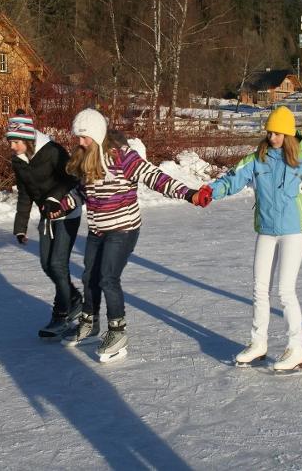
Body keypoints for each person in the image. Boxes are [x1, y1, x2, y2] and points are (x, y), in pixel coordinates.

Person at [200, 106, 302, 372]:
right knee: (259, 288)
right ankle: (258, 343)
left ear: (288, 134)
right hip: (266, 230)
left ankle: (296, 348)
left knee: (285, 291)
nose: (272, 137)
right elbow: (233, 179)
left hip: (293, 232)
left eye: (278, 133)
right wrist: (211, 192)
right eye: (270, 131)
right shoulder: (256, 159)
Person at [54, 108, 205, 362]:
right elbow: (82, 192)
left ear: (96, 134)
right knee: (90, 275)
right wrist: (60, 206)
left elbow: (154, 177)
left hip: (123, 229)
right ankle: (90, 323)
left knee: (107, 278)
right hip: (97, 229)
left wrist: (189, 193)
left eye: (84, 137)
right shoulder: (87, 158)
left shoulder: (123, 158)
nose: (79, 142)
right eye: (78, 137)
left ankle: (118, 332)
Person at [6, 111, 84, 340]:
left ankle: (61, 314)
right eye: (10, 141)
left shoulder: (53, 152)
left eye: (16, 142)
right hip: (46, 215)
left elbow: (72, 178)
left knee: (58, 264)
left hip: (67, 212)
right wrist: (20, 227)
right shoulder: (18, 161)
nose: (12, 146)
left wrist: (53, 198)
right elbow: (24, 193)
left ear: (28, 140)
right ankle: (74, 299)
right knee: (46, 264)